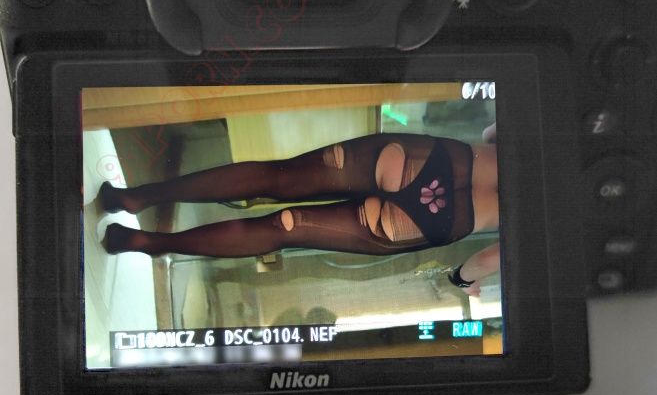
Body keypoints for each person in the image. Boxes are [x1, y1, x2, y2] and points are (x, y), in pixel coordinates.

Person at [100, 130, 501, 290]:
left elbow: (493, 132)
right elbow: (489, 259)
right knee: (284, 229)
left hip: (434, 160)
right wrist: (461, 279)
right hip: (438, 220)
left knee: (273, 177)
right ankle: (145, 242)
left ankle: (135, 197)